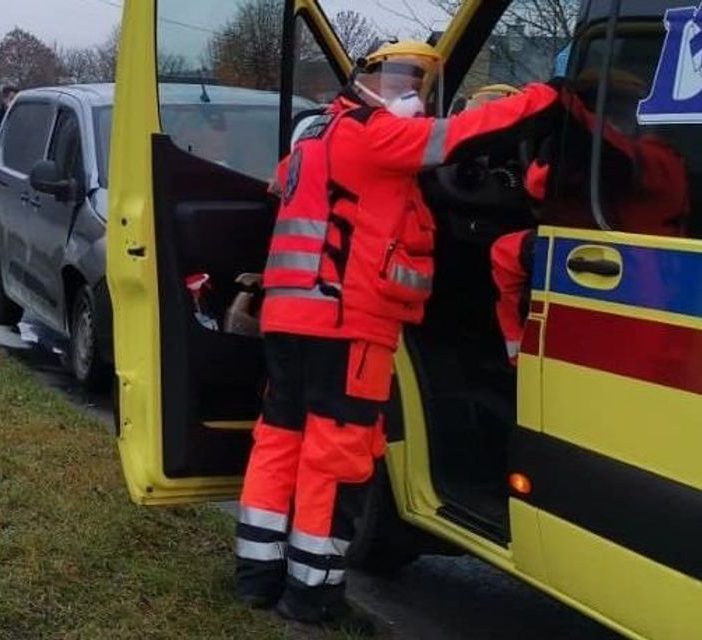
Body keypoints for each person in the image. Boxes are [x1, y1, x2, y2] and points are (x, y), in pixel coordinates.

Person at [235, 41, 565, 632]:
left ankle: (257, 574)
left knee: (279, 441)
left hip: (289, 321)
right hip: (349, 324)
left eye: (417, 78)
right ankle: (311, 593)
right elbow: (463, 133)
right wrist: (550, 97)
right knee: (335, 459)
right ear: (365, 80)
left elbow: (281, 189)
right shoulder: (377, 135)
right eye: (399, 77)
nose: (408, 88)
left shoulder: (312, 139)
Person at [489, 68, 688, 366]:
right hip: (654, 273)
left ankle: (519, 351)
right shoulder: (663, 155)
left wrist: (563, 111)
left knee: (505, 252)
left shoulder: (642, 157)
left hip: (626, 275)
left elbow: (538, 185)